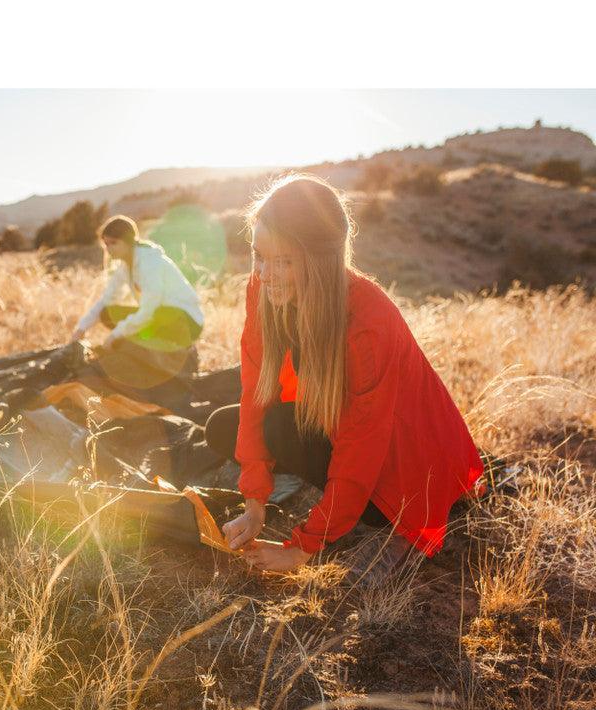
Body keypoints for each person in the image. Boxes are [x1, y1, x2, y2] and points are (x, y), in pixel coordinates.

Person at [205, 174, 484, 574]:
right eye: (259, 255)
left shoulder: (367, 320)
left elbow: (362, 446)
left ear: (319, 261)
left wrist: (300, 548)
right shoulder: (263, 288)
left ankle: (394, 525)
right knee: (224, 424)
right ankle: (330, 503)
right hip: (338, 423)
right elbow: (255, 392)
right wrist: (254, 506)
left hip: (400, 457)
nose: (265, 273)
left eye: (283, 260)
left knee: (375, 512)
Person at [71, 215, 204, 390]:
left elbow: (150, 310)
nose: (109, 249)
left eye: (113, 243)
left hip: (185, 321)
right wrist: (81, 328)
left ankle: (171, 353)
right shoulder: (125, 266)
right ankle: (144, 346)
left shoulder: (149, 261)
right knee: (107, 312)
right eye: (106, 244)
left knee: (155, 315)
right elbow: (106, 299)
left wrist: (116, 335)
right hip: (159, 318)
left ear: (128, 242)